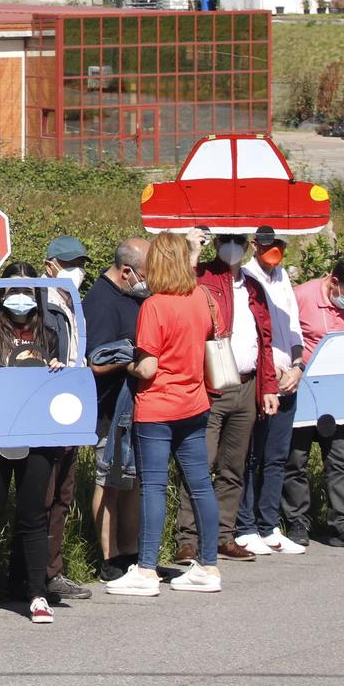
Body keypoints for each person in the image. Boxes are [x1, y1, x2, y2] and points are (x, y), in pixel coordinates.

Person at [107, 232, 221, 596]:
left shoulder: (155, 305)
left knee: (153, 487)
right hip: (194, 401)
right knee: (201, 485)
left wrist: (127, 364)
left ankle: (146, 570)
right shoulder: (199, 298)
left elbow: (149, 368)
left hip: (158, 405)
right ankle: (208, 565)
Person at [0, 281, 65, 624]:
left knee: (34, 513)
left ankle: (37, 593)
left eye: (26, 290)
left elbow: (61, 379)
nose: (19, 300)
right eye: (12, 290)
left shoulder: (50, 333)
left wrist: (57, 370)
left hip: (36, 432)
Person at [173, 231, 276, 566]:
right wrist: (192, 249)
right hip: (213, 383)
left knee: (234, 467)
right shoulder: (203, 275)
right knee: (202, 462)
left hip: (247, 384)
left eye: (240, 242)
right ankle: (187, 539)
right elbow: (180, 291)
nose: (233, 247)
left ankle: (222, 535)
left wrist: (269, 386)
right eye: (226, 240)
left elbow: (266, 340)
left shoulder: (254, 287)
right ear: (216, 244)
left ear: (248, 248)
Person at [286, 257, 344, 549]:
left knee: (339, 457)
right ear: (333, 282)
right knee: (295, 458)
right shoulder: (301, 296)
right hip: (303, 387)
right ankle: (298, 521)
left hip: (337, 392)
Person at [236, 227, 307, 556]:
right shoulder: (246, 277)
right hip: (261, 377)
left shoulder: (283, 278)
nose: (273, 249)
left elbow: (294, 326)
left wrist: (297, 366)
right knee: (252, 455)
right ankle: (245, 525)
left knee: (277, 457)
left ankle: (269, 525)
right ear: (254, 244)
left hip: (288, 377)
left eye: (278, 243)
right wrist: (270, 370)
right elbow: (251, 331)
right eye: (267, 244)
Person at [81, 238, 148, 581]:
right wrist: (130, 360)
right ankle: (110, 557)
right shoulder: (100, 302)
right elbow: (93, 362)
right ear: (126, 271)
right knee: (108, 482)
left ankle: (131, 550)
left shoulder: (132, 296)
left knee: (131, 482)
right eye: (146, 274)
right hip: (109, 410)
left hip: (135, 407)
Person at [37, 237, 94, 604]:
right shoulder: (41, 305)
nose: (78, 270)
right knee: (44, 494)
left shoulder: (73, 303)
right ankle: (36, 573)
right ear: (50, 265)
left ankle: (51, 570)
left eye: (80, 263)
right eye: (69, 263)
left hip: (71, 408)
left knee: (63, 494)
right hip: (48, 410)